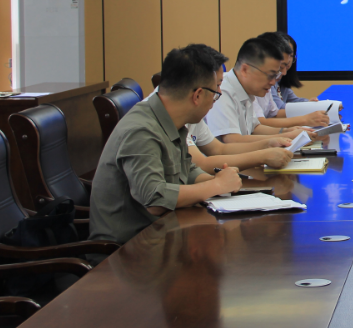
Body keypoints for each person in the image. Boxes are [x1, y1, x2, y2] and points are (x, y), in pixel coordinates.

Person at [89, 44, 242, 244]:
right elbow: (154, 199)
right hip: (127, 249)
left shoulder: (172, 120)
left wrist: (219, 181)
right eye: (216, 92)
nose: (216, 98)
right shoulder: (141, 130)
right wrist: (216, 185)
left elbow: (186, 170)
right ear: (197, 95)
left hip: (161, 235)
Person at [146, 46, 295, 171]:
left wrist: (268, 144)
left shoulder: (191, 110)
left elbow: (218, 149)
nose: (219, 92)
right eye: (217, 86)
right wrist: (262, 156)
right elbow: (201, 163)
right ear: (198, 94)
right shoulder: (162, 117)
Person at [205, 37, 317, 143]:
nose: (273, 82)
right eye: (270, 75)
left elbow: (255, 128)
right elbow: (232, 140)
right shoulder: (223, 90)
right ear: (245, 70)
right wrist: (287, 136)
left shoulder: (247, 89)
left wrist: (287, 131)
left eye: (276, 75)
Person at [251, 31, 331, 129]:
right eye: (282, 66)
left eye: (291, 56)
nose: (284, 72)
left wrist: (311, 107)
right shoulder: (258, 83)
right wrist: (305, 119)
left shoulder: (271, 80)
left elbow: (274, 114)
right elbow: (259, 124)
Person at [276, 31, 318, 104]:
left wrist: (309, 103)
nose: (288, 60)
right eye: (285, 55)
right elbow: (278, 108)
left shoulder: (283, 79)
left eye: (291, 55)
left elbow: (293, 100)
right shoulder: (271, 80)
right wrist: (307, 107)